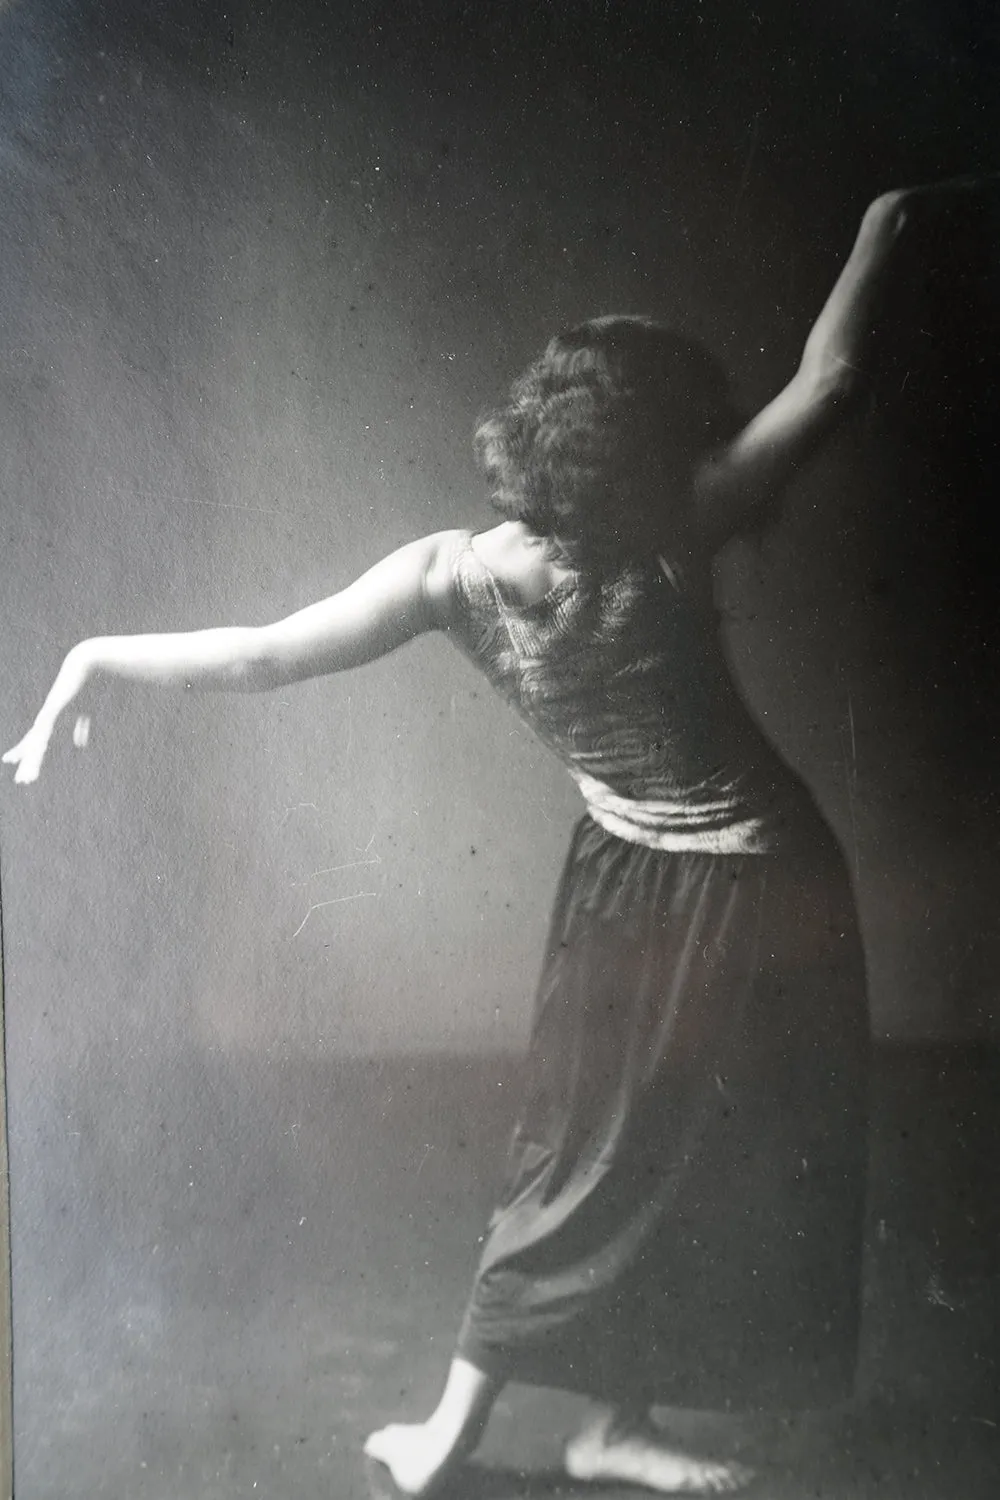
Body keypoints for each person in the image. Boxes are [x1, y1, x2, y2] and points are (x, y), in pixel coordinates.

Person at [3, 178, 984, 1497]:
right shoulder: (669, 533)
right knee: (585, 1168)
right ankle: (447, 1439)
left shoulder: (449, 573)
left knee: (689, 1160)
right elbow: (835, 373)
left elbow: (259, 657)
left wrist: (90, 660)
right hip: (677, 881)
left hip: (735, 888)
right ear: (647, 453)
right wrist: (888, 223)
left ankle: (609, 1424)